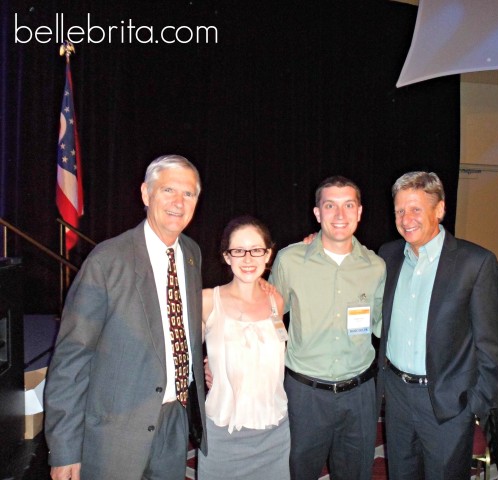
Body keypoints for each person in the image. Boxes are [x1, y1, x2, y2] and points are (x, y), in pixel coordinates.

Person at [44, 154, 208, 480]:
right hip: (115, 435)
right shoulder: (107, 260)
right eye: (168, 191)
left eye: (188, 194)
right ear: (146, 194)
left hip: (174, 422)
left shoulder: (191, 253)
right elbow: (71, 358)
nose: (178, 202)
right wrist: (64, 448)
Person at [376, 171, 498, 480]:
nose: (406, 218)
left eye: (416, 209)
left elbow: (491, 346)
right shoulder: (388, 255)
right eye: (399, 211)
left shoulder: (475, 263)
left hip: (447, 403)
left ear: (440, 209)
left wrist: (473, 406)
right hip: (396, 397)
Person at [269, 175, 386, 480]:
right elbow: (266, 321)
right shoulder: (290, 260)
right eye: (330, 205)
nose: (340, 215)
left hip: (359, 395)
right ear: (317, 213)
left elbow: (382, 325)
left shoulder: (376, 266)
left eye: (348, 205)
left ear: (360, 212)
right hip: (305, 394)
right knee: (298, 473)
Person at [199, 215, 289, 480]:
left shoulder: (276, 302)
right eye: (238, 251)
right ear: (227, 256)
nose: (248, 259)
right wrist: (208, 364)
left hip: (274, 432)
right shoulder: (206, 300)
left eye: (256, 250)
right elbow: (183, 356)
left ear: (268, 255)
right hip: (223, 434)